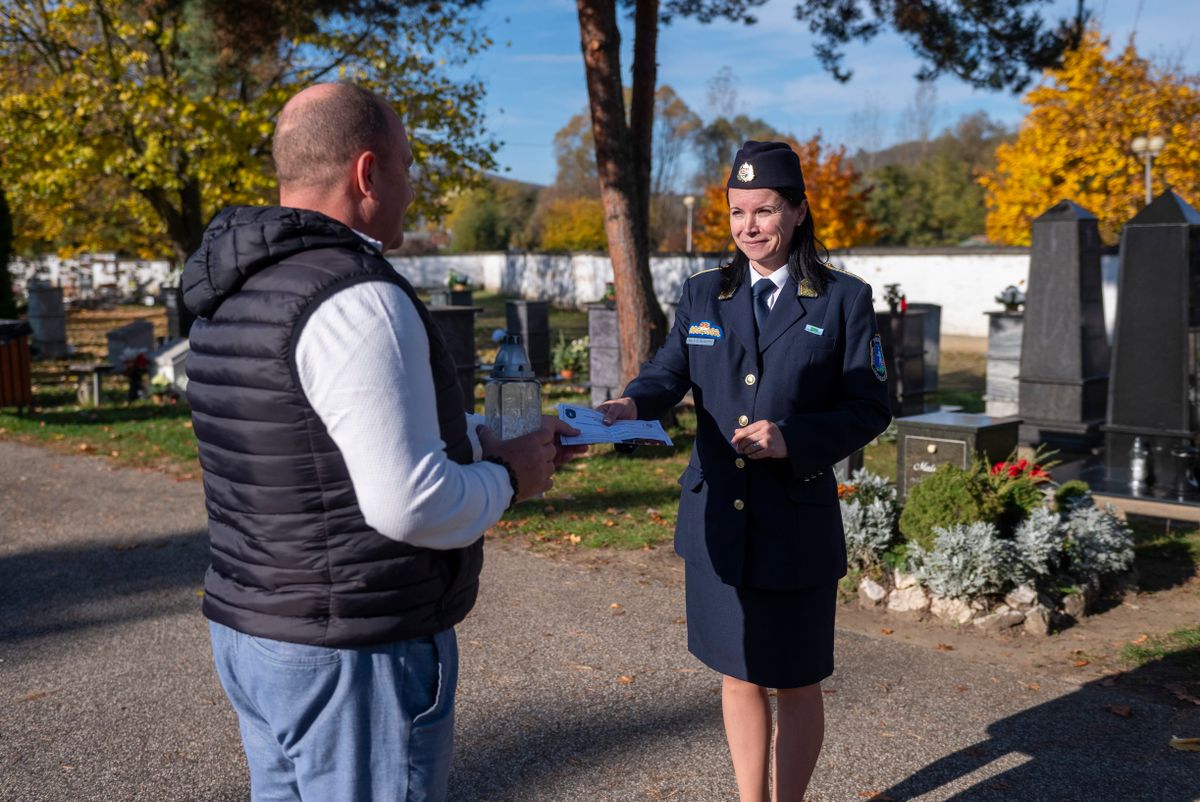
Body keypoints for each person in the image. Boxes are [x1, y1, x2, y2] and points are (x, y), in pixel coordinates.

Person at [182, 82, 581, 802]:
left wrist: (483, 444)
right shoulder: (355, 295)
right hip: (354, 652)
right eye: (406, 164)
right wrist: (513, 478)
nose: (412, 184)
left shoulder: (238, 287)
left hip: (260, 631)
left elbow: (307, 446)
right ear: (368, 174)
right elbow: (411, 506)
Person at [599, 141, 892, 801]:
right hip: (718, 520)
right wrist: (628, 403)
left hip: (795, 523)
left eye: (764, 210)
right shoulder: (704, 292)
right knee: (737, 672)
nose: (749, 227)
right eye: (737, 212)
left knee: (794, 677)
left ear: (797, 212)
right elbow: (669, 373)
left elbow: (869, 407)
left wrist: (793, 439)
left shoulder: (843, 300)